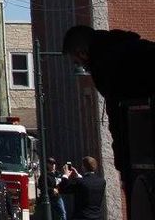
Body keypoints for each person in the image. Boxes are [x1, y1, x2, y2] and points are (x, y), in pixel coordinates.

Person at [62, 25, 155, 186]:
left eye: (79, 63)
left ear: (82, 52)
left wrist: (123, 164)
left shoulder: (104, 64)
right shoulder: (131, 46)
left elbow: (118, 115)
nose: (83, 68)